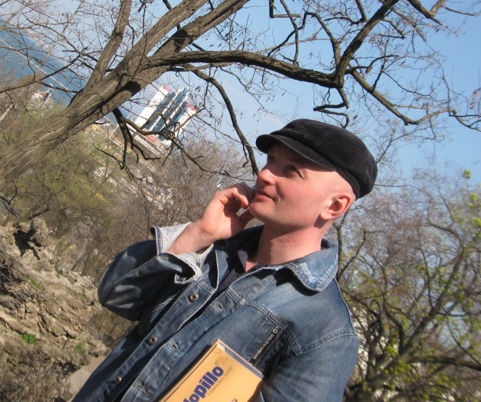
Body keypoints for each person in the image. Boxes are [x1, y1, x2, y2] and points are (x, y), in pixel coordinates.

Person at [73, 119, 377, 402]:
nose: (265, 175)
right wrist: (198, 234)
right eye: (271, 159)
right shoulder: (213, 252)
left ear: (335, 205)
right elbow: (116, 295)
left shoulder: (326, 331)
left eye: (292, 169)